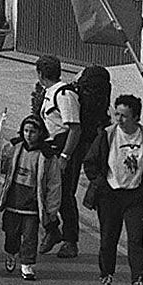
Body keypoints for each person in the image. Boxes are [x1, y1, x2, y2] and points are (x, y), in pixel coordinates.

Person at [83, 94, 143, 285]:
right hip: (110, 195)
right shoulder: (107, 135)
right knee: (108, 239)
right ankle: (106, 278)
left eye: (124, 116)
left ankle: (139, 283)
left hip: (136, 197)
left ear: (136, 117)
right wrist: (101, 184)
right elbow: (90, 163)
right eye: (116, 113)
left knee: (136, 240)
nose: (119, 119)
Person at [0, 115, 62, 282]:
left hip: (33, 203)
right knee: (11, 233)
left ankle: (27, 264)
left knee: (30, 236)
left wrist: (52, 209)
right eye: (26, 131)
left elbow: (54, 183)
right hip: (13, 200)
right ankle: (11, 253)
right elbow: (1, 165)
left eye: (33, 132)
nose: (28, 135)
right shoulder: (14, 147)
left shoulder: (47, 155)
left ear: (40, 133)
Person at [36, 54, 84, 259]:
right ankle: (52, 229)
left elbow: (74, 128)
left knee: (64, 196)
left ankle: (70, 240)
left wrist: (65, 156)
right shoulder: (51, 93)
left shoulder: (64, 95)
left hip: (62, 151)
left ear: (40, 74)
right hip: (51, 149)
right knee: (45, 193)